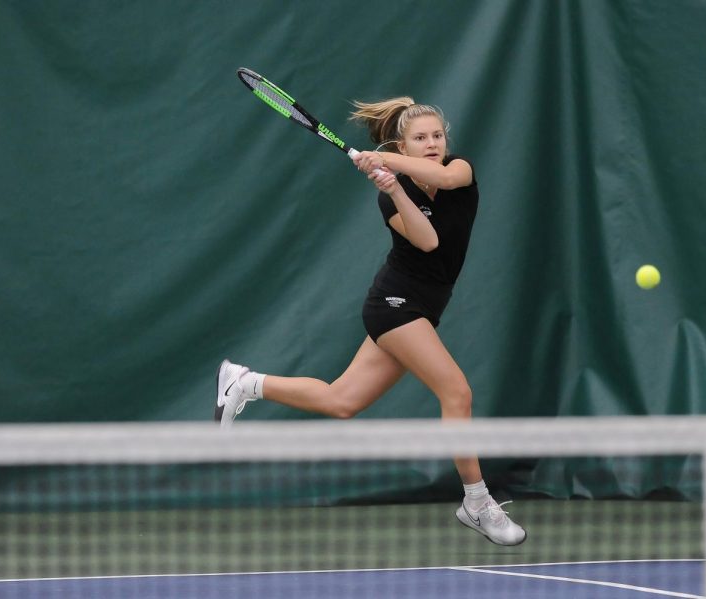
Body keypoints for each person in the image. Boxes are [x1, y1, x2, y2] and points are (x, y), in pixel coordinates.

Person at [214, 97, 525, 546]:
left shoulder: (459, 171)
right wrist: (396, 187)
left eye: (437, 135)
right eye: (421, 139)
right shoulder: (389, 196)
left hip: (423, 308)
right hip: (395, 304)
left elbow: (439, 183)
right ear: (405, 143)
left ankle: (245, 382)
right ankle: (477, 503)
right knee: (457, 392)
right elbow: (428, 241)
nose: (433, 144)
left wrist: (387, 163)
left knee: (342, 401)